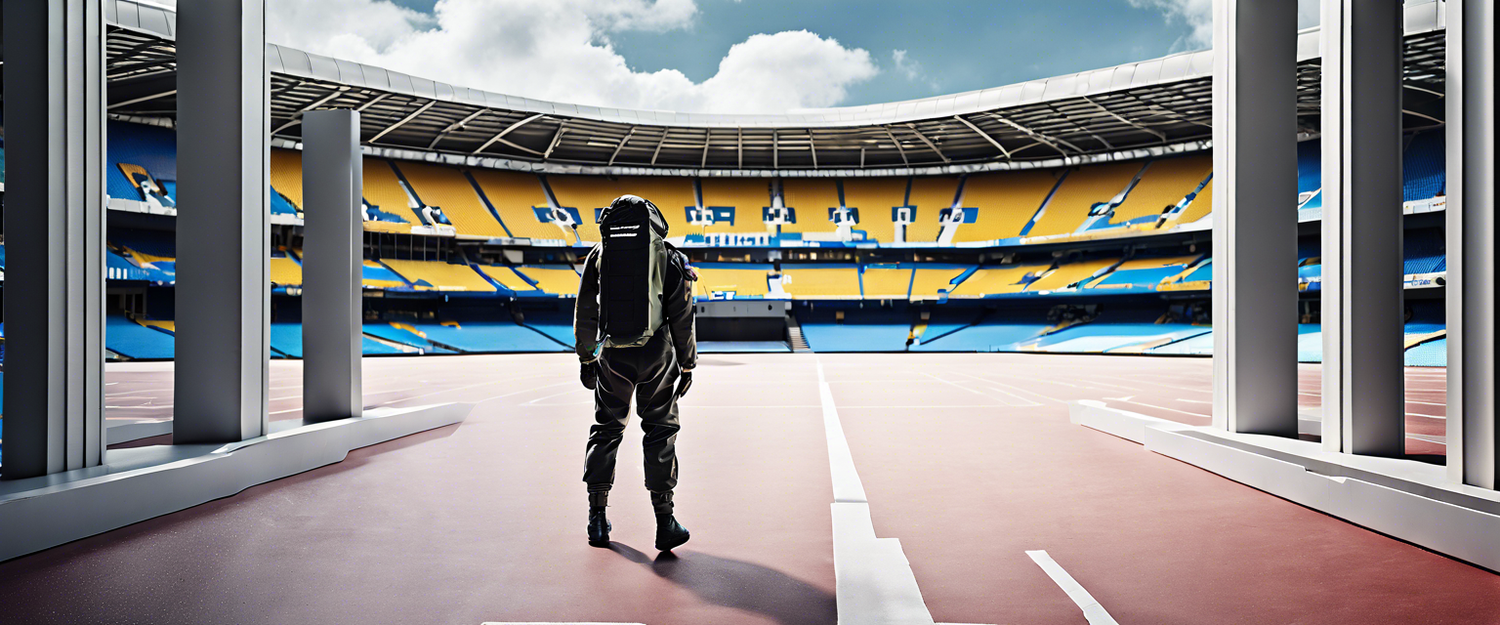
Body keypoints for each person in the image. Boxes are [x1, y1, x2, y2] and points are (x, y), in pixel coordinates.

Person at [574, 194, 698, 551]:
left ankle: (597, 519)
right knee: (660, 430)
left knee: (606, 428)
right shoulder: (672, 257)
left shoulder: (600, 253)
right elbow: (682, 318)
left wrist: (586, 358)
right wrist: (687, 364)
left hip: (612, 354)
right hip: (657, 355)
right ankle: (665, 521)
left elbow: (585, 310)